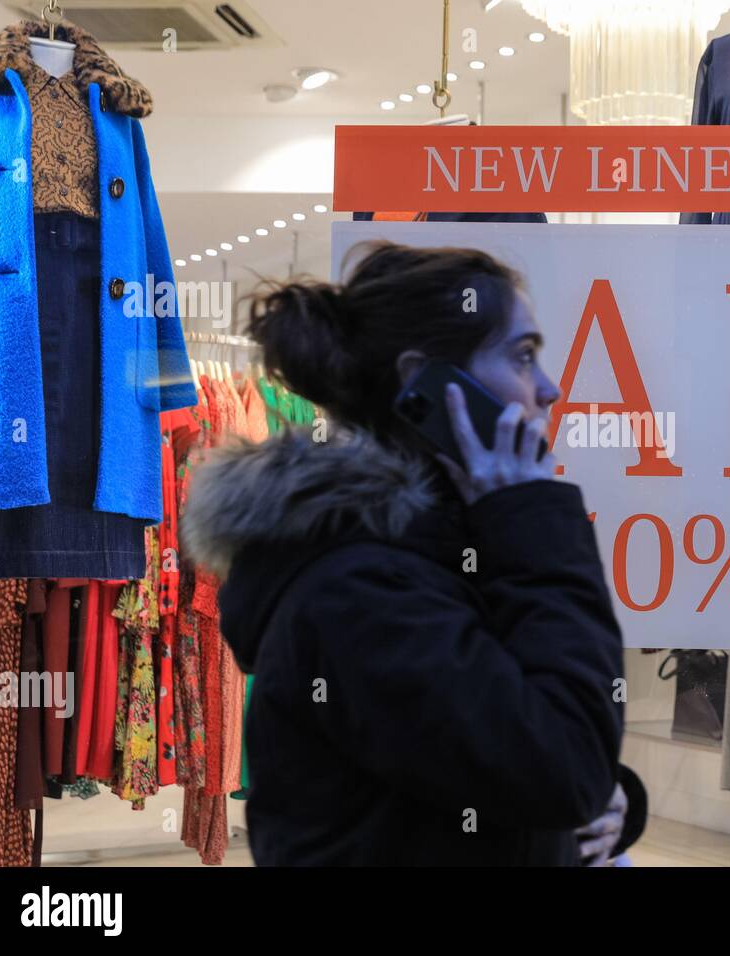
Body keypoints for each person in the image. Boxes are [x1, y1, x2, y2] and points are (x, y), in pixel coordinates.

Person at [182, 241, 644, 865]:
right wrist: (537, 520)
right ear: (426, 383)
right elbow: (559, 766)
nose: (550, 389)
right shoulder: (362, 590)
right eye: (523, 356)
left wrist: (616, 802)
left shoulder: (443, 552)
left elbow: (510, 753)